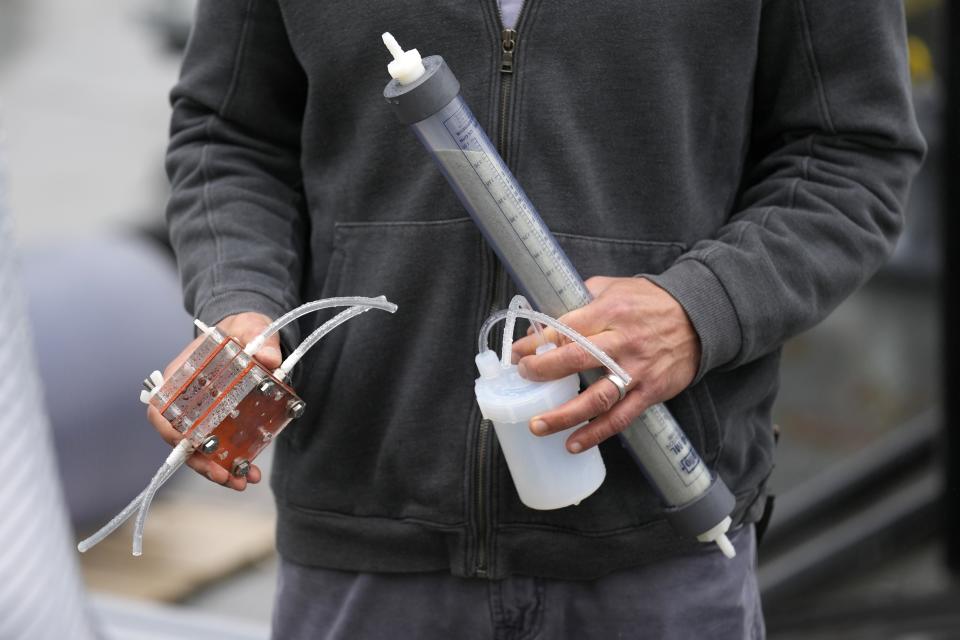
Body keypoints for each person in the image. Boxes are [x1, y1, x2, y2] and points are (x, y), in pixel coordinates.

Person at [153, 2, 924, 638]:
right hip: (366, 542)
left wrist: (699, 309)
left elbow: (848, 152)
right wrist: (240, 302)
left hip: (659, 548)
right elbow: (231, 134)